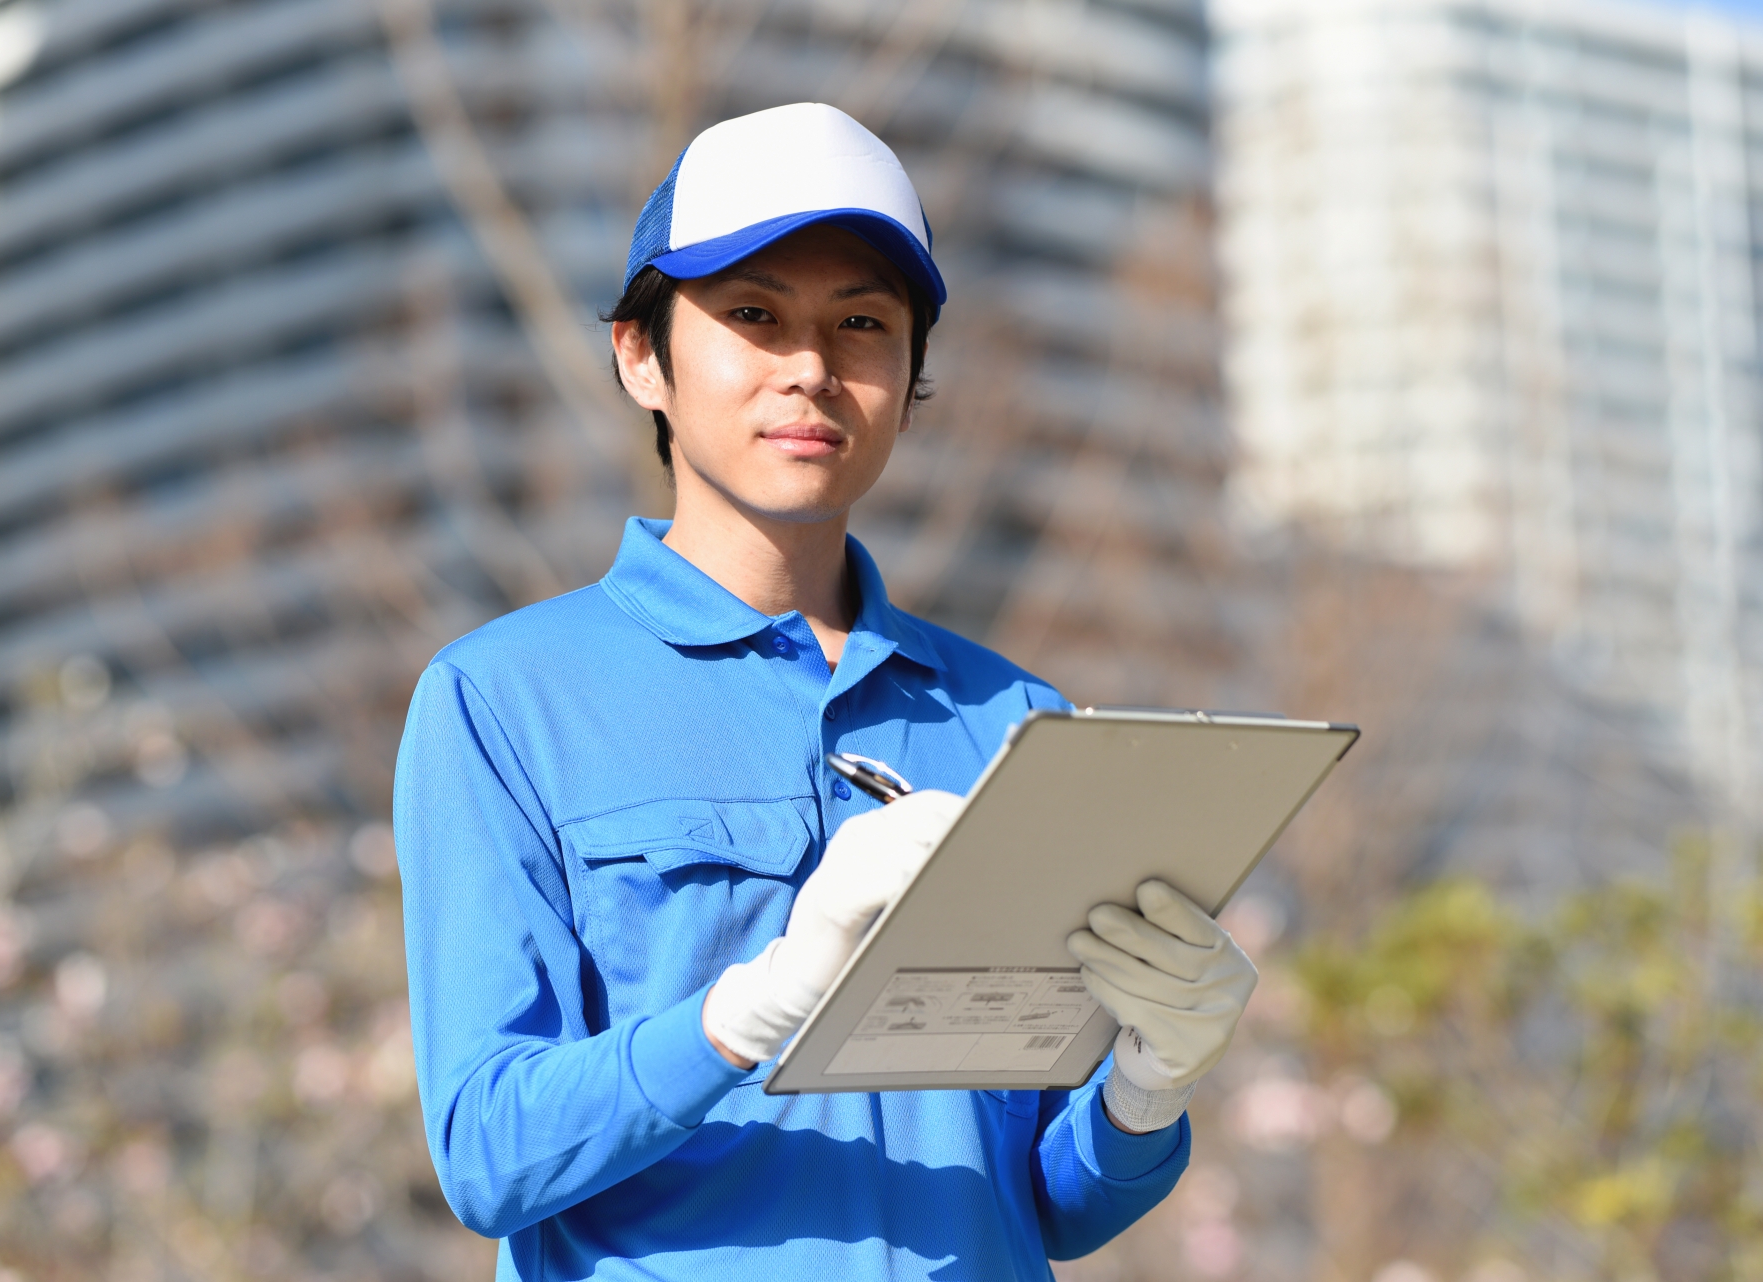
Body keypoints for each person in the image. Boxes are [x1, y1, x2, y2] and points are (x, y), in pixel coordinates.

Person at [394, 102, 1259, 1281]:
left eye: (862, 325)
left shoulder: (1013, 720)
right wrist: (751, 1009)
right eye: (754, 315)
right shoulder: (502, 699)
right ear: (640, 355)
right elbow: (487, 1154)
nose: (811, 369)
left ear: (909, 383)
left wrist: (1151, 1086)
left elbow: (1045, 1204)